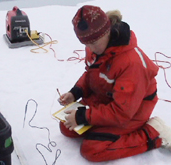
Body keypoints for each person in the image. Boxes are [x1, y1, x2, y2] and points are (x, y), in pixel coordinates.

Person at [58, 5, 171, 162]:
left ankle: (153, 133)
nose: (90, 48)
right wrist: (75, 92)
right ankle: (99, 128)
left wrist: (84, 116)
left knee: (92, 150)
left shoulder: (131, 62)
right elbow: (91, 74)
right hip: (106, 96)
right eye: (86, 43)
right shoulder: (96, 46)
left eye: (94, 42)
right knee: (67, 126)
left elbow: (122, 112)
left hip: (132, 109)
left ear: (107, 31)